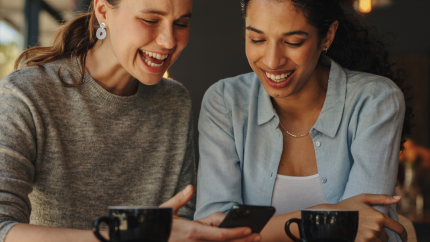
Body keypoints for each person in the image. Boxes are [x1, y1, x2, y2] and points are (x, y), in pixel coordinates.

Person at [0, 0, 261, 242]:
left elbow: (178, 221)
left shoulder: (174, 101)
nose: (169, 41)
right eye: (150, 20)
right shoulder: (27, 94)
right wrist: (133, 236)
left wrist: (201, 231)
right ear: (103, 12)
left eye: (181, 23)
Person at [195, 0, 411, 241]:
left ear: (327, 36)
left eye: (293, 42)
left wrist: (261, 231)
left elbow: (365, 229)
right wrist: (325, 218)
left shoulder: (375, 100)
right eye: (257, 39)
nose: (272, 61)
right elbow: (209, 233)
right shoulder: (225, 102)